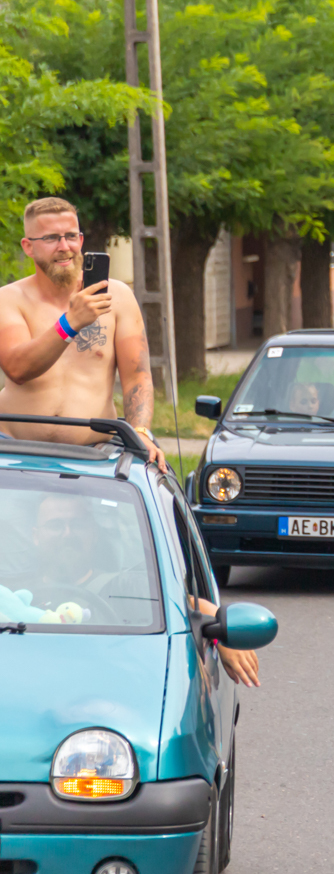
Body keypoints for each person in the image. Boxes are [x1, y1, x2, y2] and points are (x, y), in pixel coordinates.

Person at [0, 198, 166, 469]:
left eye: (70, 236)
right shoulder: (9, 299)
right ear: (28, 246)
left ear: (81, 240)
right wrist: (71, 322)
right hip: (13, 450)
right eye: (51, 238)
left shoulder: (118, 297)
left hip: (95, 454)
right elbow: (18, 368)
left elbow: (137, 376)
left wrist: (141, 432)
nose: (64, 247)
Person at [31, 493, 260, 685]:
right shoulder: (16, 590)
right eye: (55, 525)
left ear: (93, 533)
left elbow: (189, 603)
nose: (67, 534)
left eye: (77, 525)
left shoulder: (126, 586)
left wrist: (223, 637)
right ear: (36, 536)